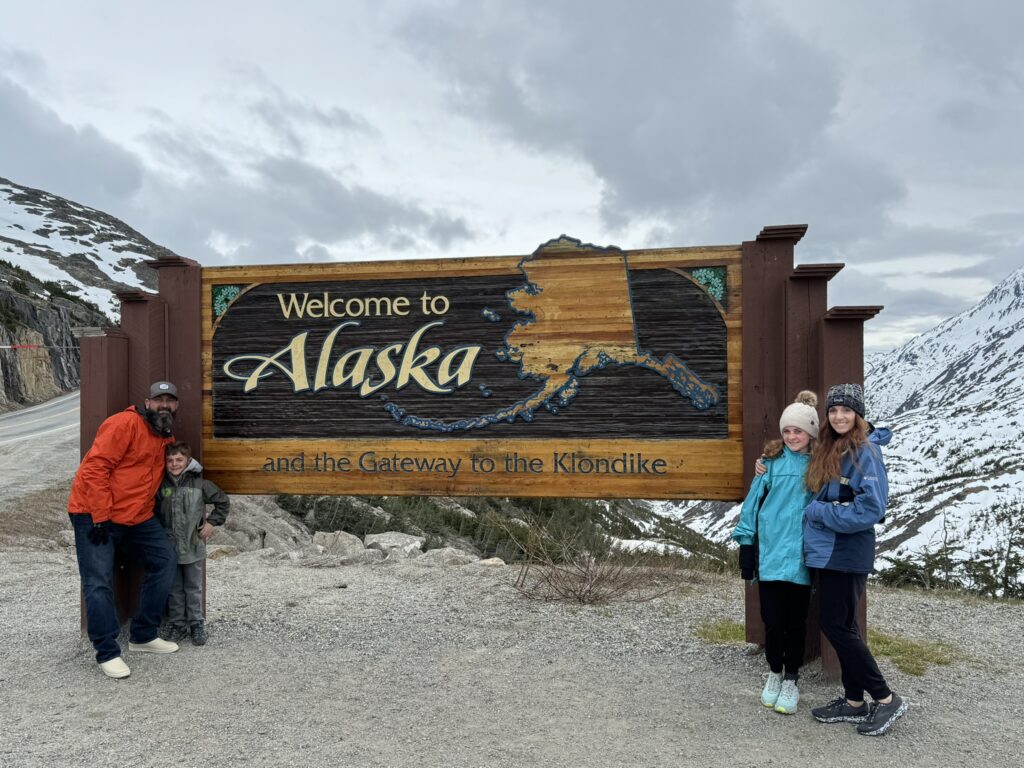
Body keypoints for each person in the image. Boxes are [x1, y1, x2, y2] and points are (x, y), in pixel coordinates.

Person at [802, 383, 906, 736]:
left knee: (837, 626)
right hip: (829, 552)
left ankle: (886, 698)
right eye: (833, 411)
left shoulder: (865, 452)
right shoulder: (831, 448)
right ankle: (854, 701)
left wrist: (820, 513)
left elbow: (871, 508)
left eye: (847, 411)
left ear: (858, 415)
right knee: (842, 625)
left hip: (845, 552)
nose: (839, 416)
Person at [67, 381, 181, 679]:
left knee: (165, 561)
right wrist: (101, 516)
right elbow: (94, 469)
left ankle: (143, 634)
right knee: (98, 581)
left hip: (136, 518)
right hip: (93, 514)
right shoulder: (123, 424)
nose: (164, 405)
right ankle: (106, 651)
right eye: (159, 400)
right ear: (147, 402)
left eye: (170, 401)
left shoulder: (165, 436)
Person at [732, 391, 819, 715]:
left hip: (800, 558)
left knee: (796, 622)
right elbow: (752, 506)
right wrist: (746, 545)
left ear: (811, 433)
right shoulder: (769, 463)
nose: (792, 436)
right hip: (769, 555)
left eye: (799, 431)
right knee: (772, 620)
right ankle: (774, 672)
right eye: (787, 430)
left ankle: (792, 680)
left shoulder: (819, 465)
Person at [155, 441, 230, 646]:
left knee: (193, 587)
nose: (174, 464)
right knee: (174, 587)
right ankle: (178, 624)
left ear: (188, 461)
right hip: (169, 546)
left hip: (193, 544)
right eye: (170, 460)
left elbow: (222, 501)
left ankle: (196, 623)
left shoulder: (199, 483)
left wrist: (212, 523)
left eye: (178, 460)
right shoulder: (161, 484)